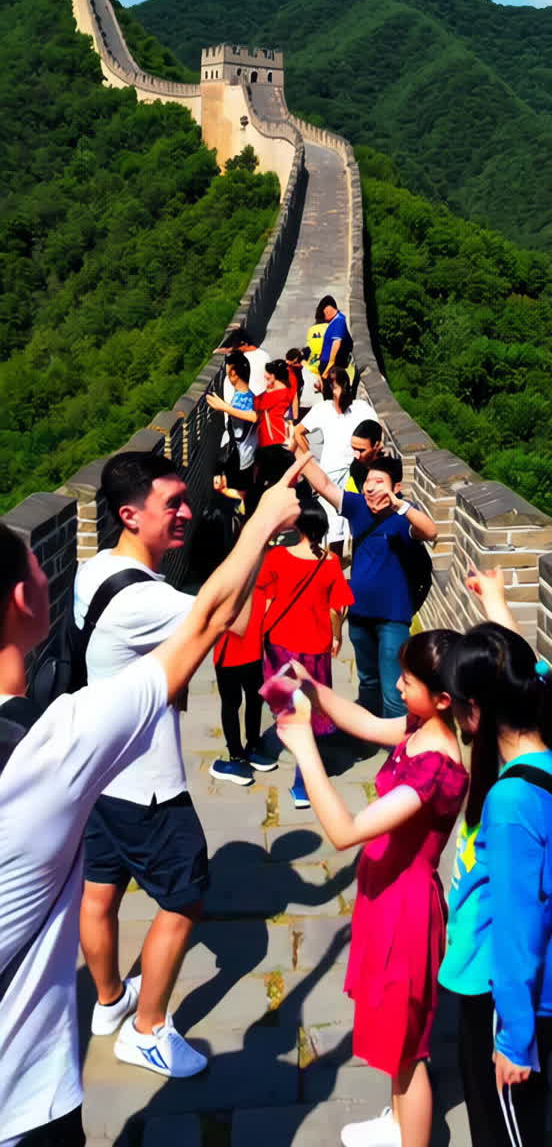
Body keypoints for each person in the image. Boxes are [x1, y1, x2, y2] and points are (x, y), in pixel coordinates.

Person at [0, 464, 304, 1147]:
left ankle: (108, 1003)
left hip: (90, 791)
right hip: (144, 781)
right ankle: (149, 1027)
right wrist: (261, 526)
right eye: (173, 503)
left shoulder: (92, 570)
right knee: (183, 896)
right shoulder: (135, 618)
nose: (187, 513)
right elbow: (231, 617)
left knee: (98, 890)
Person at [276, 631, 468, 1147]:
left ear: (444, 698)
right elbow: (363, 722)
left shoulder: (437, 770)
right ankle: (399, 1122)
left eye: (408, 680)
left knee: (409, 1052)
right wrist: (314, 688)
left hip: (405, 915)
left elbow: (344, 832)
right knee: (394, 1035)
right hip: (383, 898)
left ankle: (414, 1136)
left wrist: (303, 747)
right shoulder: (419, 727)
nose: (398, 686)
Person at [439, 568, 552, 1147]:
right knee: (522, 1119)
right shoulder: (550, 748)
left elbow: (520, 927)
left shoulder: (509, 802)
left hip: (505, 998)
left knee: (501, 1132)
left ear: (475, 710)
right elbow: (536, 673)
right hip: (536, 988)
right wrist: (497, 604)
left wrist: (514, 1039)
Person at [300, 452, 437, 717]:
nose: (370, 486)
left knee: (394, 687)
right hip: (360, 612)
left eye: (379, 481)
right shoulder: (357, 507)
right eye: (368, 481)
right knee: (368, 682)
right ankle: (369, 735)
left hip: (393, 617)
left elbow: (431, 533)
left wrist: (401, 506)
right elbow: (325, 485)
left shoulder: (403, 517)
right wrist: (298, 453)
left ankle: (398, 748)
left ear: (396, 487)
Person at [257, 500, 354, 807]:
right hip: (315, 647)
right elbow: (337, 606)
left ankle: (272, 746)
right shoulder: (330, 562)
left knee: (287, 708)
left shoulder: (277, 556)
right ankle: (303, 785)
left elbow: (266, 599)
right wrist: (337, 636)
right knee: (309, 715)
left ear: (297, 526)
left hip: (280, 643)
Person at [292, 368, 377, 556]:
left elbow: (376, 436)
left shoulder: (361, 408)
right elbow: (298, 432)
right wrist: (311, 463)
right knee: (335, 528)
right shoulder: (323, 409)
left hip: (357, 474)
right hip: (332, 475)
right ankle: (335, 573)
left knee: (355, 525)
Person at [210, 584, 277, 787]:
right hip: (252, 653)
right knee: (253, 700)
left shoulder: (222, 587)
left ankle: (237, 757)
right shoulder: (262, 586)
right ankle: (254, 746)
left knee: (231, 705)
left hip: (227, 655)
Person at [207, 351, 258, 503]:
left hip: (241, 458)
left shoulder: (240, 401)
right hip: (249, 454)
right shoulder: (250, 396)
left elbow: (256, 417)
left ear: (233, 374)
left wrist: (225, 408)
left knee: (242, 498)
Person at [250, 359, 295, 506]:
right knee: (276, 478)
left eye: (268, 374)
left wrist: (265, 390)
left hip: (271, 441)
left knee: (266, 480)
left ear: (274, 375)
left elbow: (258, 404)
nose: (265, 376)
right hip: (276, 438)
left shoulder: (276, 394)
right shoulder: (285, 390)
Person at [219, 327, 269, 397]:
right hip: (260, 394)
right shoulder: (264, 354)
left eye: (235, 347)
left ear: (245, 344)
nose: (234, 349)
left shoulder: (244, 359)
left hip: (247, 397)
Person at [316, 295, 353, 382]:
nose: (323, 318)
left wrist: (327, 369)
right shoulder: (336, 320)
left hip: (329, 364)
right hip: (325, 361)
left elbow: (336, 343)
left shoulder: (338, 322)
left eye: (323, 314)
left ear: (328, 310)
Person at [345, 418, 384, 493]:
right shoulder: (355, 467)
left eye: (361, 450)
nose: (356, 455)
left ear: (376, 445)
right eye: (353, 449)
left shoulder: (387, 470)